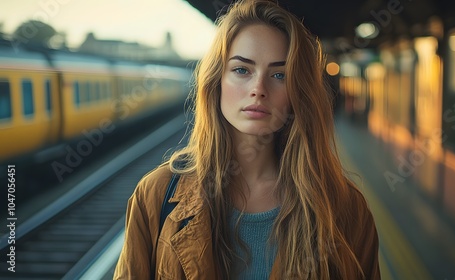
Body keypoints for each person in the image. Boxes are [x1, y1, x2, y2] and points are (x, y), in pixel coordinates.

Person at [114, 0, 380, 279]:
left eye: (279, 74)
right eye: (242, 70)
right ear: (216, 81)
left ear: (297, 93)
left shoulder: (346, 210)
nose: (258, 89)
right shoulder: (156, 196)